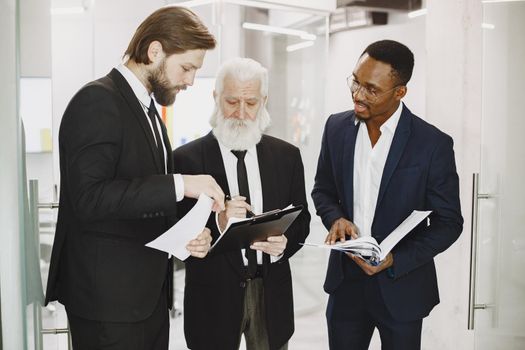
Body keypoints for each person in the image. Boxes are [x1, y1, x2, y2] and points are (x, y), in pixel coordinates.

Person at [45, 7, 226, 350]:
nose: (190, 81)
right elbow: (89, 198)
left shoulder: (149, 112)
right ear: (154, 51)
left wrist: (187, 234)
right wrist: (181, 183)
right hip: (108, 306)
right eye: (187, 68)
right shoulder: (97, 100)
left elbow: (139, 203)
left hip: (147, 302)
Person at [311, 40, 463, 349]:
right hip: (345, 287)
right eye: (355, 81)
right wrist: (335, 217)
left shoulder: (432, 145)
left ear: (400, 92)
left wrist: (396, 259)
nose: (357, 94)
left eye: (371, 89)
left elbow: (449, 223)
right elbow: (322, 189)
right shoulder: (336, 128)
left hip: (402, 288)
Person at [173, 57, 311, 350]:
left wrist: (285, 244)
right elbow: (177, 232)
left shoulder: (287, 157)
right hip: (212, 298)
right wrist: (217, 224)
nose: (241, 113)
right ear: (215, 98)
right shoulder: (186, 160)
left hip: (270, 293)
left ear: (264, 100)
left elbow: (302, 221)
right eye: (232, 101)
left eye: (250, 103)